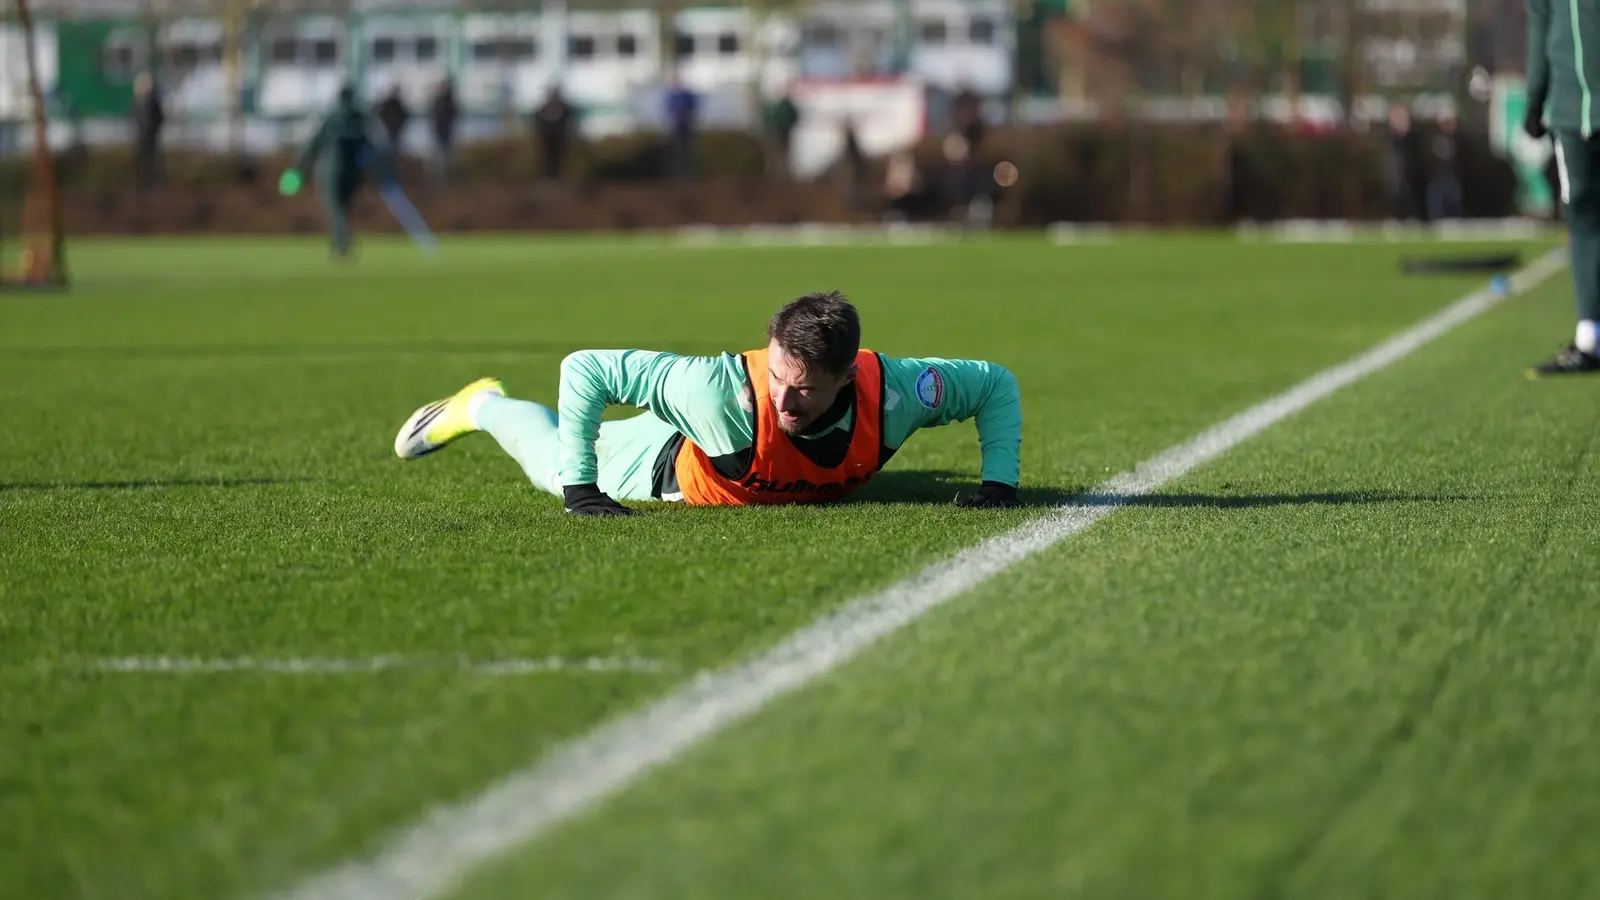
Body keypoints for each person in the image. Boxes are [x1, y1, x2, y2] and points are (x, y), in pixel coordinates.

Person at [393, 291, 1024, 515]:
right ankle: (482, 405)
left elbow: (995, 384)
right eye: (777, 377)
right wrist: (581, 488)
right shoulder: (718, 393)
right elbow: (584, 368)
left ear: (847, 378)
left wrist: (999, 485)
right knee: (548, 464)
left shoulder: (896, 394)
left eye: (805, 389)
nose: (784, 399)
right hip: (657, 459)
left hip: (725, 450)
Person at [1525, 0, 1600, 375]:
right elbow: (1539, 25)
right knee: (1583, 219)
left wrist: (1535, 98)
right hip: (1570, 115)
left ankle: (1590, 339)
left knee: (1585, 221)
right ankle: (1589, 338)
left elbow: (1540, 27)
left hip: (1570, 112)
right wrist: (1535, 99)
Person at [278, 84, 386, 258]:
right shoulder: (359, 119)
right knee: (343, 207)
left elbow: (312, 145)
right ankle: (339, 240)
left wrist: (299, 169)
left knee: (335, 207)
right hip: (353, 173)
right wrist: (379, 169)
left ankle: (343, 241)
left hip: (331, 171)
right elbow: (369, 146)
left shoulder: (332, 118)